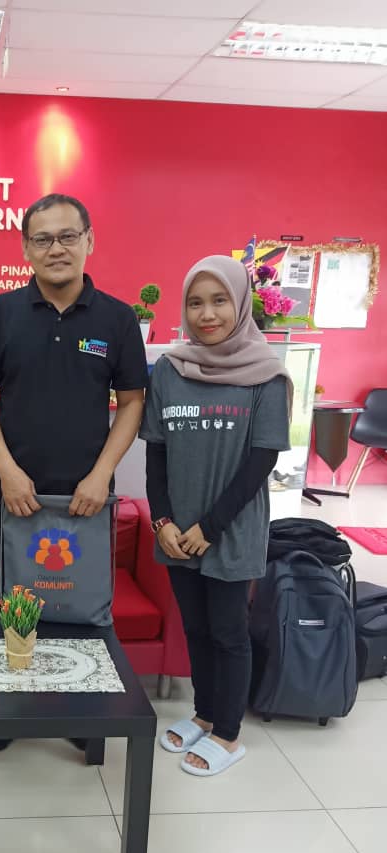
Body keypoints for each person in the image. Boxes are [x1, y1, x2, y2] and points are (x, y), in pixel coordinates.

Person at [0, 193, 149, 751]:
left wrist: (102, 474)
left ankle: (80, 718)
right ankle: (11, 712)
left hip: (86, 499)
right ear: (26, 248)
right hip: (15, 495)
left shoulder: (117, 319)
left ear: (89, 240)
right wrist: (6, 468)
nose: (56, 248)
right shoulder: (1, 313)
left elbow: (132, 402)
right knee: (17, 607)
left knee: (80, 609)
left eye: (68, 236)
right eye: (42, 239)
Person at [140, 255, 292, 777]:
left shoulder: (266, 374)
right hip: (177, 533)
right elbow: (155, 453)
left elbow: (261, 460)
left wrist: (210, 526)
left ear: (241, 303)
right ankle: (204, 714)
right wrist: (162, 522)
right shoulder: (170, 369)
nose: (207, 314)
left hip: (229, 530)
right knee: (196, 629)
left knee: (229, 632)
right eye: (196, 303)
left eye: (220, 300)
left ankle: (228, 733)